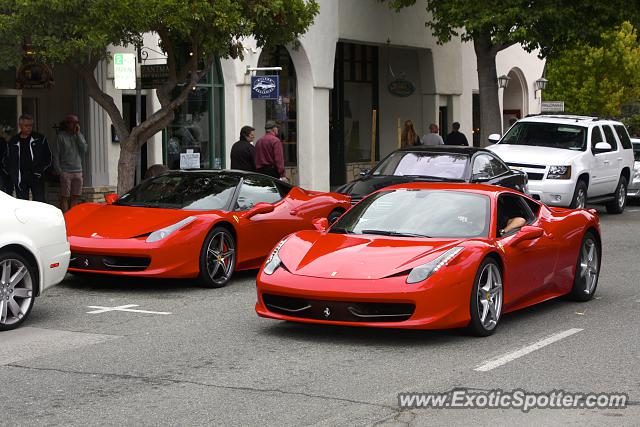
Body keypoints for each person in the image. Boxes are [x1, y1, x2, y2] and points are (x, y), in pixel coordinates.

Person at [7, 114, 51, 202]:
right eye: (26, 125)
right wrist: (13, 174)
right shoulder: (13, 141)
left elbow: (48, 158)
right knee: (22, 203)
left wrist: (40, 172)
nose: (29, 128)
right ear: (20, 126)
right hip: (21, 176)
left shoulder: (40, 139)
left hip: (36, 176)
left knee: (40, 202)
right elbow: (7, 160)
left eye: (31, 125)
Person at [54, 114, 87, 212]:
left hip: (78, 170)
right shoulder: (61, 136)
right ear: (67, 123)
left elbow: (84, 149)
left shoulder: (79, 135)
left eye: (77, 123)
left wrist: (78, 134)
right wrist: (59, 171)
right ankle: (66, 217)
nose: (75, 125)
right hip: (66, 171)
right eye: (73, 122)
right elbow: (56, 154)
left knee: (75, 196)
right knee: (65, 197)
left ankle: (73, 217)